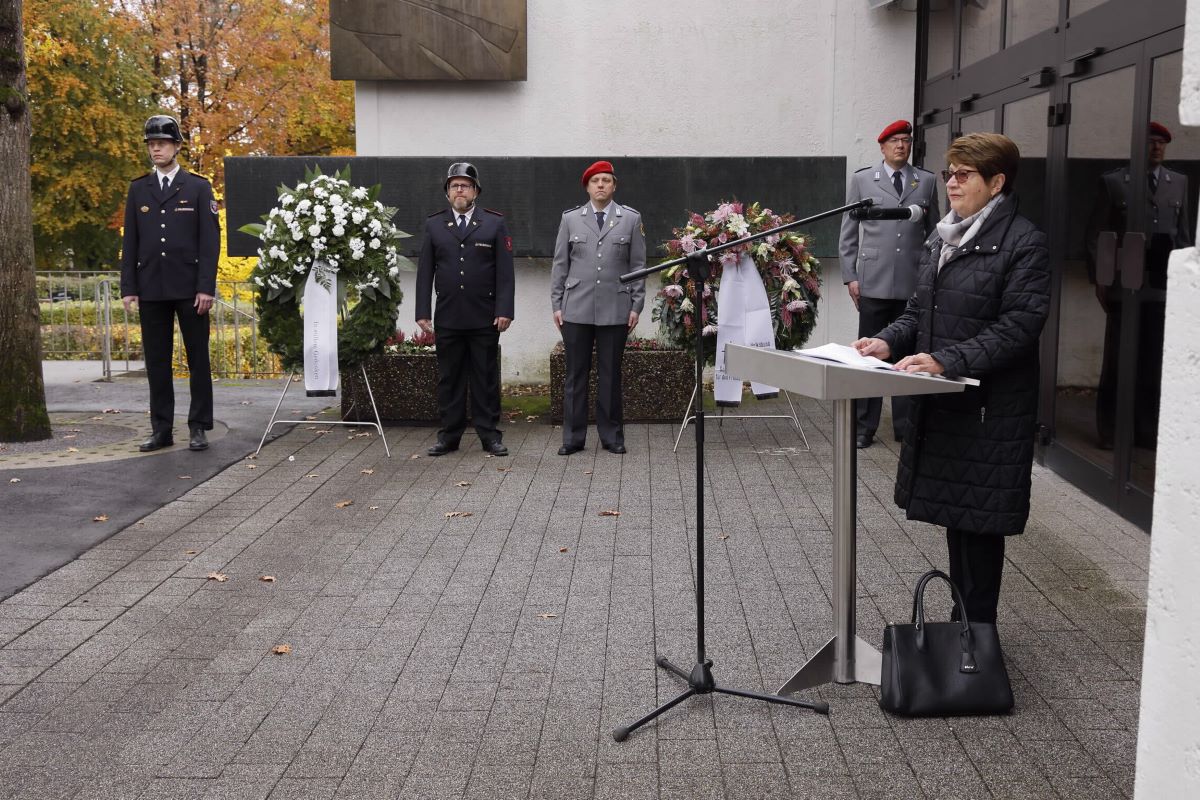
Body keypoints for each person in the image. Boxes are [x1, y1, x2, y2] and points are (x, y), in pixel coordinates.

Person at [854, 132, 1050, 625]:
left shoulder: (1024, 242)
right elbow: (919, 310)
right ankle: (963, 626)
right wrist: (888, 341)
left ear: (997, 182)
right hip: (948, 405)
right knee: (959, 518)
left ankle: (977, 636)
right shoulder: (943, 236)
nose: (952, 183)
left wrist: (946, 361)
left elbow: (1019, 327)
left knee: (980, 525)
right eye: (949, 174)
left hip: (989, 410)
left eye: (964, 175)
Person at [1087, 122, 1192, 449]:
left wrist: (1185, 284)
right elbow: (1095, 234)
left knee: (1153, 363)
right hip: (1123, 283)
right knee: (1118, 362)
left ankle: (1147, 431)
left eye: (1162, 144)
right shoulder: (1115, 182)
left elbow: (1185, 236)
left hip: (1161, 286)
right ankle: (1111, 431)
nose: (1157, 148)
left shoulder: (1179, 183)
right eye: (1151, 143)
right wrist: (1101, 279)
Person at [120, 115, 220, 452]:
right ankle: (161, 428)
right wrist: (128, 287)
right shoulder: (138, 189)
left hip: (191, 289)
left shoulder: (198, 187)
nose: (156, 148)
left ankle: (198, 426)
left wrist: (206, 287)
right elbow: (130, 243)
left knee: (198, 360)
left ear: (177, 146)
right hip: (151, 288)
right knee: (157, 363)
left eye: (162, 142)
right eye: (151, 143)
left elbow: (210, 242)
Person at [840, 119, 940, 449]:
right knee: (868, 355)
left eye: (906, 140)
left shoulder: (924, 181)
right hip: (872, 281)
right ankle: (863, 427)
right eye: (894, 141)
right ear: (882, 146)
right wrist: (851, 276)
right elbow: (849, 232)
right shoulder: (864, 179)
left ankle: (904, 425)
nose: (901, 145)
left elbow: (934, 233)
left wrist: (930, 277)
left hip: (911, 283)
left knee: (907, 354)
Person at [416, 162, 515, 457]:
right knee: (450, 378)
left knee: (484, 377)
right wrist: (423, 311)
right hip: (448, 315)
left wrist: (505, 309)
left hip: (484, 315)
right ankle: (449, 436)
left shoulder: (494, 223)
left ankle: (489, 435)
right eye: (454, 186)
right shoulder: (435, 224)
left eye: (465, 185)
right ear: (447, 193)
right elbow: (425, 272)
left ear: (476, 191)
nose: (460, 190)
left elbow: (505, 272)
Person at [550, 160, 646, 455]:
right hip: (576, 307)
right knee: (575, 375)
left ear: (614, 186)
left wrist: (636, 304)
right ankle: (573, 438)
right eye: (596, 181)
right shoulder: (571, 219)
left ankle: (611, 436)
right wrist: (556, 303)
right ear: (587, 187)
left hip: (616, 307)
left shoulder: (630, 218)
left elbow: (638, 265)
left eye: (606, 180)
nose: (601, 185)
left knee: (610, 374)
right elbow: (560, 264)